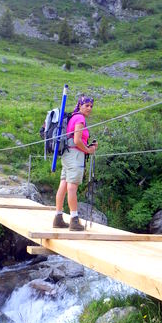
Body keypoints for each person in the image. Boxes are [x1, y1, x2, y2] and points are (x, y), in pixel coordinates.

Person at [53, 95, 98, 231]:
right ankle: (74, 220)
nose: (89, 108)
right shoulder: (80, 118)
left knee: (64, 184)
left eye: (91, 106)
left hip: (67, 154)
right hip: (75, 155)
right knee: (72, 187)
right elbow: (78, 140)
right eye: (86, 105)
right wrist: (89, 150)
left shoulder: (73, 117)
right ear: (80, 105)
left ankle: (58, 218)